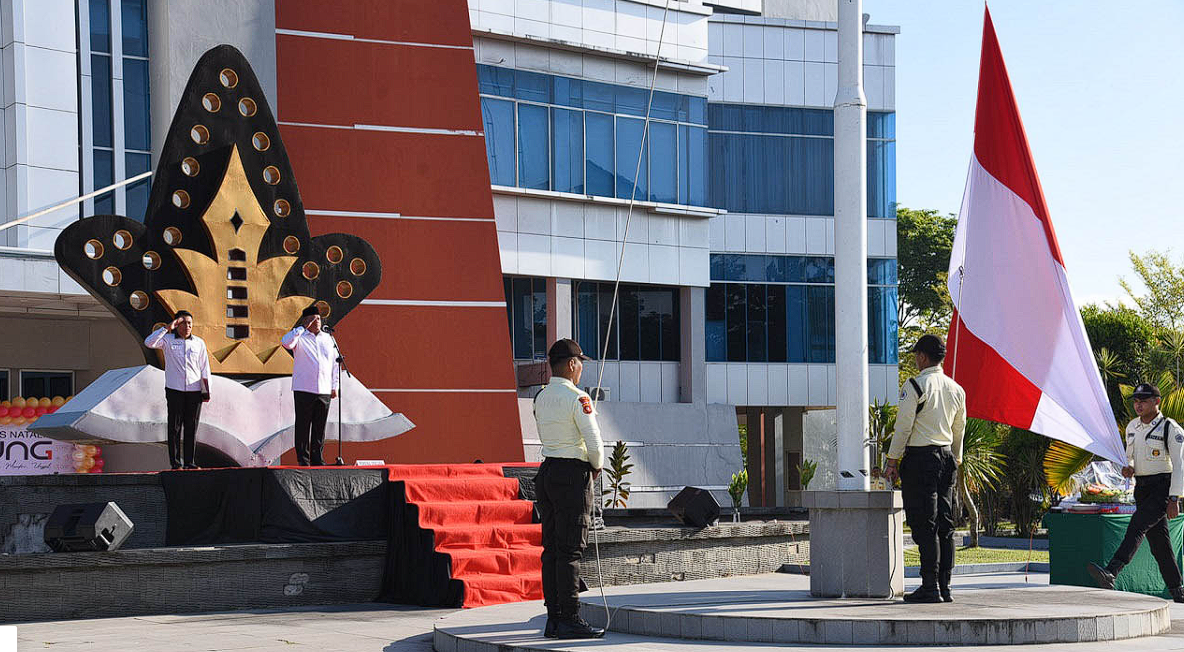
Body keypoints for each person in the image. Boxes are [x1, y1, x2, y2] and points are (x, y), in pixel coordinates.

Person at [884, 334, 966, 603]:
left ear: (922, 356)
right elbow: (959, 429)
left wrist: (892, 460)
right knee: (945, 524)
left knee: (924, 523)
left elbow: (903, 427)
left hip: (921, 459)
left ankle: (930, 586)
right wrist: (956, 459)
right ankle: (945, 586)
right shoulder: (957, 389)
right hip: (947, 457)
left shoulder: (915, 386)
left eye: (916, 356)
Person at [533, 339, 605, 640]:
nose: (581, 369)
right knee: (571, 550)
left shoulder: (541, 396)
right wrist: (596, 466)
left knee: (551, 549)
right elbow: (594, 442)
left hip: (548, 471)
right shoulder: (578, 398)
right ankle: (571, 618)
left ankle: (553, 618)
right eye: (580, 364)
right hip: (572, 474)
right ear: (572, 364)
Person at [1087, 383, 1184, 603]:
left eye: (1144, 401)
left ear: (1156, 402)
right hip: (1142, 487)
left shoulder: (1170, 428)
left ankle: (1112, 571)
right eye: (1136, 401)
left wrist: (1174, 498)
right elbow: (1130, 457)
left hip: (1163, 486)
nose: (1138, 405)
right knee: (1160, 544)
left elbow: (1180, 466)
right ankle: (1178, 590)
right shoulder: (1132, 427)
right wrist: (1128, 468)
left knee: (1137, 526)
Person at [144, 310, 211, 470]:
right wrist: (167, 328)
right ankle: (175, 463)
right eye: (183, 323)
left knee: (191, 427)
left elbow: (205, 367)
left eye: (189, 323)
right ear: (176, 324)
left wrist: (207, 390)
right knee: (174, 427)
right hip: (175, 390)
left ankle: (190, 462)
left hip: (194, 390)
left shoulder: (199, 343)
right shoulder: (167, 340)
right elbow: (149, 343)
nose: (187, 326)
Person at [280, 306, 339, 466]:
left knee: (320, 427)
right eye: (313, 319)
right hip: (304, 388)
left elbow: (335, 364)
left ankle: (317, 459)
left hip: (324, 389)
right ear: (306, 321)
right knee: (303, 426)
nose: (317, 321)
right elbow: (285, 343)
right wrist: (302, 328)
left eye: (319, 318)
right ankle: (303, 460)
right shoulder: (299, 337)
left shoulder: (328, 339)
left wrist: (335, 386)